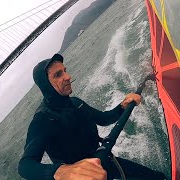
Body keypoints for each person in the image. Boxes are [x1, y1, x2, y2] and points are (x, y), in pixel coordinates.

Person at [18, 54, 166, 180]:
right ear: (45, 85)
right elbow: (25, 166)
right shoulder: (43, 119)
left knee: (158, 177)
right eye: (58, 75)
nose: (68, 77)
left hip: (103, 159)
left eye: (65, 71)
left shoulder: (75, 103)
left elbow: (104, 119)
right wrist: (62, 172)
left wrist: (122, 106)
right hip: (84, 176)